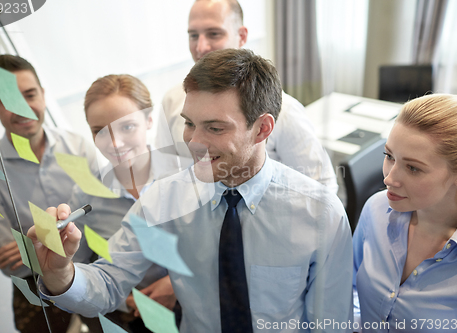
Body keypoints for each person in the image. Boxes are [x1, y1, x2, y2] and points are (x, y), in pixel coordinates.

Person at [29, 49, 353, 332]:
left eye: (214, 127)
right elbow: (110, 281)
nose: (194, 142)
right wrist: (62, 274)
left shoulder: (320, 213)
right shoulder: (164, 199)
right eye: (189, 123)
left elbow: (330, 323)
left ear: (263, 129)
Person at [0, 55, 98, 333]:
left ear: (43, 95)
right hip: (36, 292)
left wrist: (31, 243)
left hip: (95, 272)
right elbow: (11, 264)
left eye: (29, 95)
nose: (22, 108)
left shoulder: (79, 147)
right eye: (6, 99)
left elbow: (105, 223)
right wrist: (72, 231)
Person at [155, 0, 338, 193]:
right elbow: (163, 174)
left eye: (214, 34)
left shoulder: (285, 111)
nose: (201, 47)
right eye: (193, 35)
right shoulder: (172, 101)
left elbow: (322, 188)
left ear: (241, 36)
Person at [70, 74, 191, 331]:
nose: (115, 143)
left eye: (126, 127)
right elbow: (78, 266)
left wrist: (174, 284)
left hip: (196, 307)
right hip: (129, 318)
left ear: (148, 120)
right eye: (100, 131)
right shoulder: (85, 196)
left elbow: (216, 245)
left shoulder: (186, 174)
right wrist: (125, 301)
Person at [353, 94, 457, 332]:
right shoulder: (376, 209)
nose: (388, 178)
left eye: (413, 168)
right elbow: (349, 286)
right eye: (389, 156)